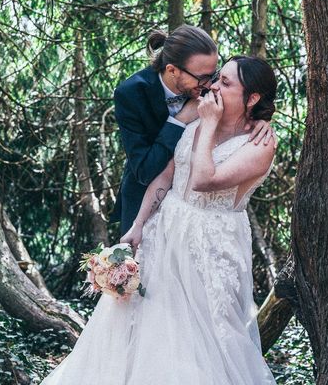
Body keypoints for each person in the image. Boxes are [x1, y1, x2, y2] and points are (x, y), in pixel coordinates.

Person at [41, 55, 278, 385]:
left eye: (225, 83)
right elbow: (167, 176)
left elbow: (203, 180)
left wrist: (208, 124)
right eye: (216, 79)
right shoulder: (197, 119)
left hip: (208, 248)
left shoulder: (260, 144)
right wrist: (137, 225)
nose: (213, 87)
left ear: (252, 98)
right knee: (141, 322)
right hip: (162, 233)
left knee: (198, 338)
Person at [110, 25, 274, 234]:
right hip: (143, 201)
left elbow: (245, 98)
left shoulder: (204, 79)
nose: (210, 85)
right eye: (204, 78)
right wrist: (179, 121)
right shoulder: (131, 93)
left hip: (201, 220)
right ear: (172, 70)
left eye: (214, 75)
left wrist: (259, 119)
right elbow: (144, 170)